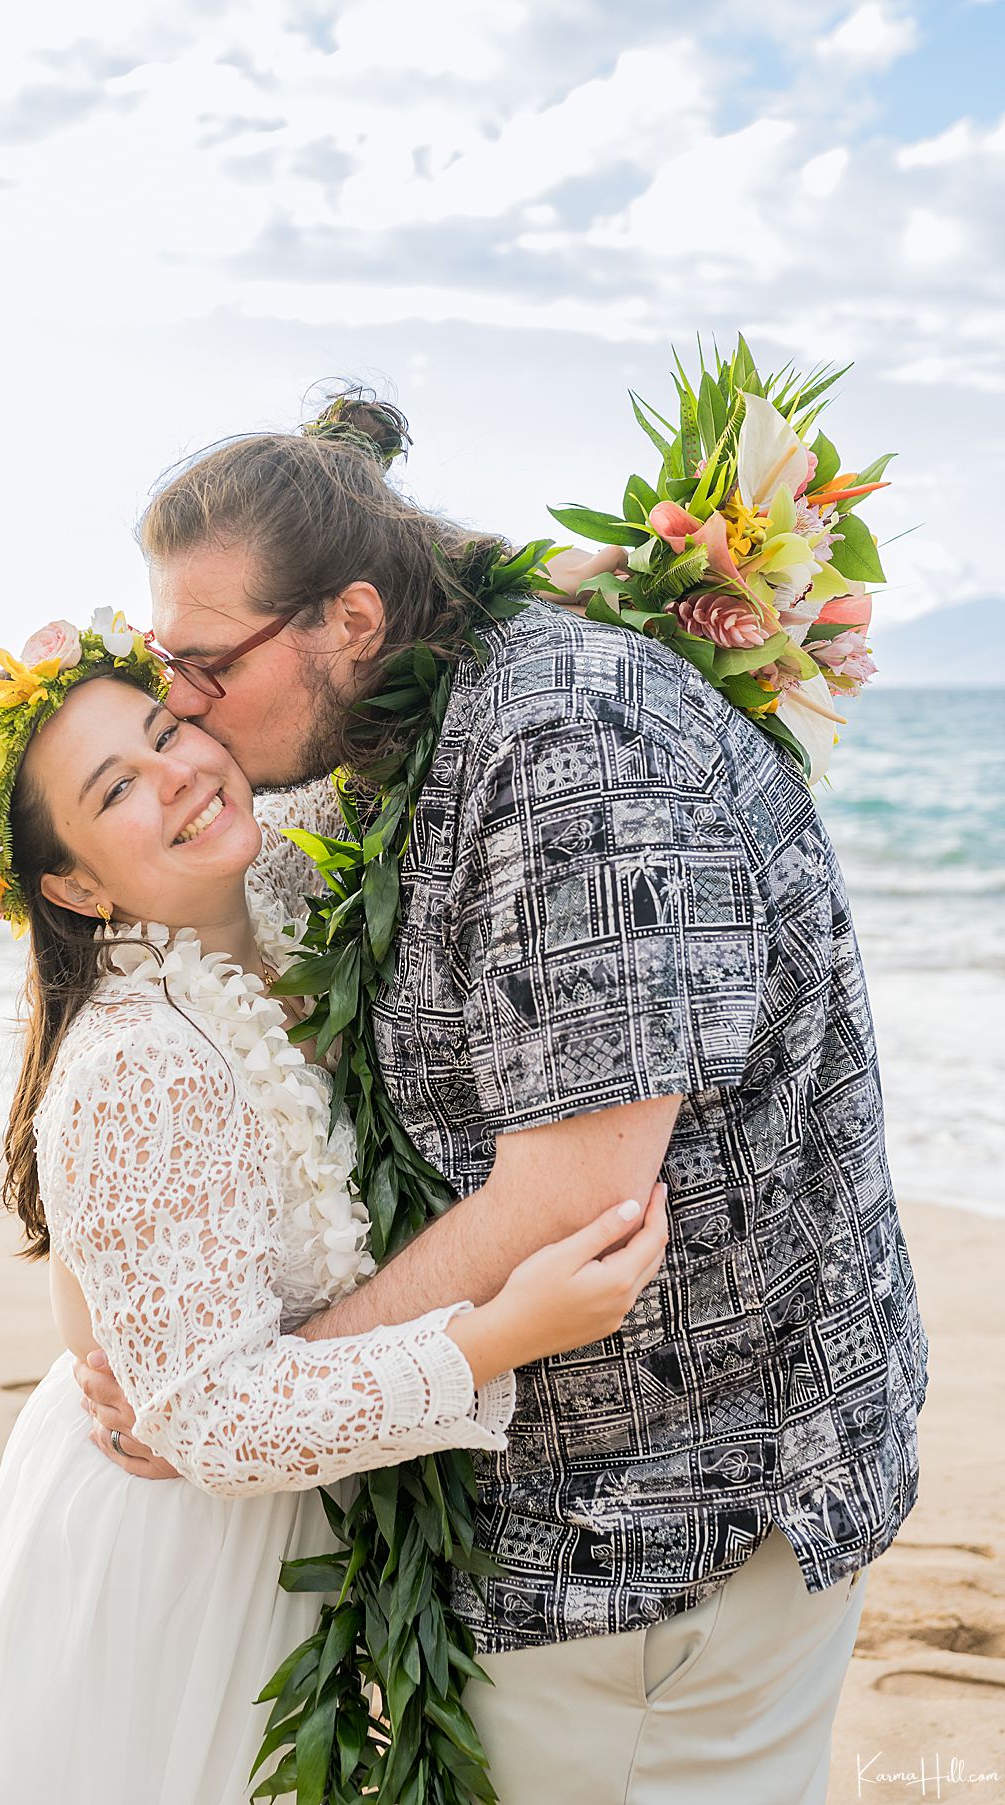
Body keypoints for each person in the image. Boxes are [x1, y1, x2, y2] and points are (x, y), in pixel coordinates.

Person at [78, 395, 929, 1805]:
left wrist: (263, 1394)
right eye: (165, 659)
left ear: (351, 617)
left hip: (665, 1532)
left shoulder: (578, 745)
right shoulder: (380, 740)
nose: (182, 703)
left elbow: (577, 1196)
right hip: (530, 1523)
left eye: (206, 663)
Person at [0, 619, 668, 1804]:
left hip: (280, 1532)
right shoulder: (136, 1057)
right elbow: (207, 1420)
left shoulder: (280, 898)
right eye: (119, 788)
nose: (179, 774)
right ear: (73, 883)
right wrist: (509, 1329)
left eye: (167, 731)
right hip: (175, 1554)